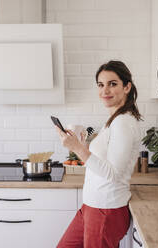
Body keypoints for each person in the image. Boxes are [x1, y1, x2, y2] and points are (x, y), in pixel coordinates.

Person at [56, 60, 142, 248]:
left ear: (127, 87)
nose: (105, 91)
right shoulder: (113, 120)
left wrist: (77, 148)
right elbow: (101, 160)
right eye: (101, 85)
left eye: (113, 84)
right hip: (92, 206)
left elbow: (112, 173)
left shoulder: (123, 123)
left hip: (106, 209)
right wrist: (79, 144)